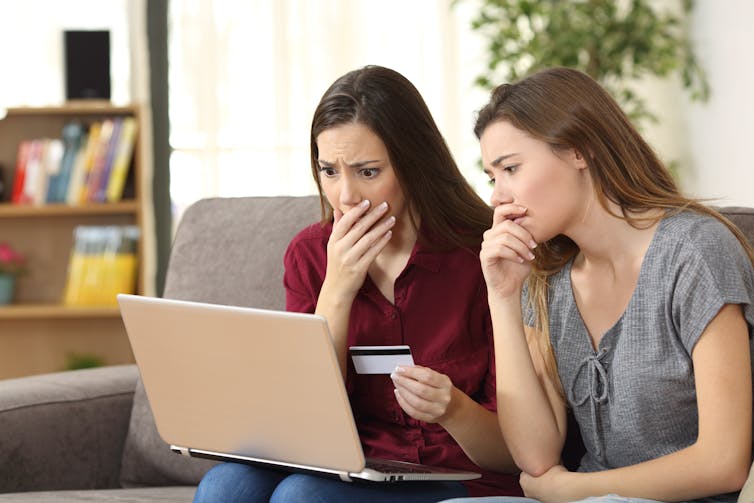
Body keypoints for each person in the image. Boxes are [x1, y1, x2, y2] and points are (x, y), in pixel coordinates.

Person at [192, 65, 522, 502]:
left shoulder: (482, 255)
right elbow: (299, 419)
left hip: (456, 474)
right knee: (225, 486)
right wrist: (337, 291)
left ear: (412, 164)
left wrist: (453, 409)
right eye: (329, 170)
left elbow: (512, 452)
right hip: (354, 468)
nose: (346, 196)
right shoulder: (310, 255)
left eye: (367, 172)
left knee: (302, 497)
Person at [441, 66, 754, 503]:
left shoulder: (695, 252)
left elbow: (724, 462)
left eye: (510, 168)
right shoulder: (546, 278)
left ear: (578, 151)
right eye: (493, 177)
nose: (496, 196)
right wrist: (502, 297)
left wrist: (572, 489)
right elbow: (534, 458)